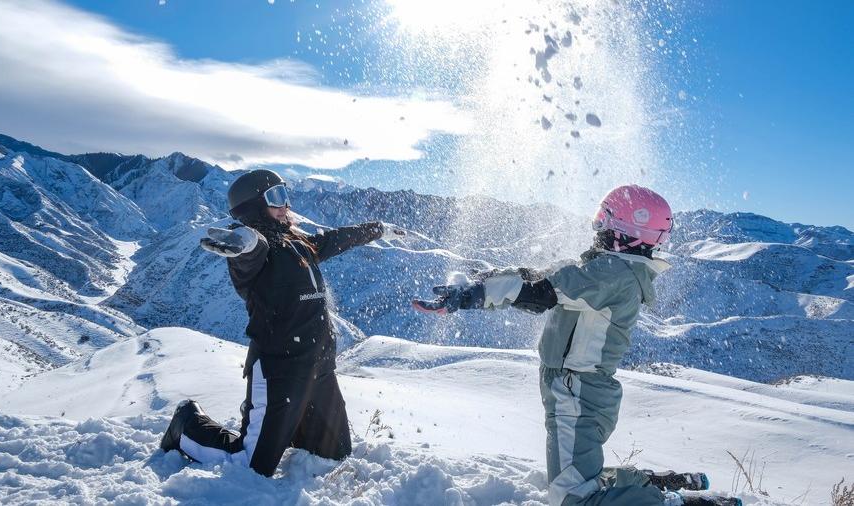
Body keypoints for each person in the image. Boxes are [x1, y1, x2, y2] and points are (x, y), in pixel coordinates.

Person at [413, 185, 738, 506]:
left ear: (625, 232)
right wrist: (488, 279)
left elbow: (541, 293)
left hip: (576, 392)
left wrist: (475, 295)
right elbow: (540, 277)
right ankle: (649, 484)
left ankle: (670, 503)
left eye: (604, 220)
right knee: (576, 481)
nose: (597, 227)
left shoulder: (611, 274)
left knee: (572, 499)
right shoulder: (607, 267)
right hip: (576, 389)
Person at [160, 169, 405, 477]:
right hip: (279, 370)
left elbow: (335, 239)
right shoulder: (256, 251)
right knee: (250, 465)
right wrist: (247, 242)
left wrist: (377, 229)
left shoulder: (299, 243)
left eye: (285, 195)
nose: (285, 205)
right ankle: (186, 424)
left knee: (334, 453)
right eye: (275, 197)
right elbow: (251, 251)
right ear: (254, 206)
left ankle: (280, 426)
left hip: (319, 365)